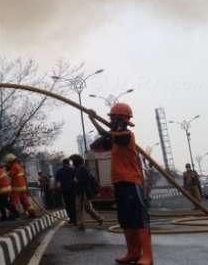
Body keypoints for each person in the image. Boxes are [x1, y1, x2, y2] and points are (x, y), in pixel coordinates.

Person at [89, 103, 152, 265]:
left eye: (114, 118)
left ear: (123, 120)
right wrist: (95, 120)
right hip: (119, 183)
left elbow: (106, 134)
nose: (113, 121)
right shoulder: (115, 138)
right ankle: (133, 253)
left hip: (132, 182)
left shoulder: (126, 136)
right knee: (126, 220)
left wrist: (94, 120)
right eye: (112, 119)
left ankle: (147, 256)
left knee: (139, 219)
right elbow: (95, 145)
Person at [70, 154, 104, 231]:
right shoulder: (77, 169)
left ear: (76, 162)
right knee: (79, 208)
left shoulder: (84, 169)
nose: (72, 163)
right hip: (79, 191)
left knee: (87, 208)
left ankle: (99, 219)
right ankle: (81, 224)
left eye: (73, 161)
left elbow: (87, 180)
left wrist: (77, 181)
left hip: (84, 191)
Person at [3, 153, 37, 218]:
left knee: (14, 201)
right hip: (23, 187)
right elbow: (24, 177)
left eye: (8, 162)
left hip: (16, 187)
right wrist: (26, 187)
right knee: (25, 201)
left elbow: (9, 175)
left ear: (10, 161)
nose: (8, 164)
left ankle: (13, 215)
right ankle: (32, 213)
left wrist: (6, 171)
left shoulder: (14, 166)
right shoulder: (20, 166)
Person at [55, 158, 77, 225]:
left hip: (64, 191)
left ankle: (71, 219)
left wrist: (59, 189)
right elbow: (76, 180)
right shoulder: (73, 170)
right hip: (73, 190)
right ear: (68, 163)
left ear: (63, 163)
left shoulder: (59, 171)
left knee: (68, 205)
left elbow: (58, 182)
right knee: (73, 205)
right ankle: (75, 220)